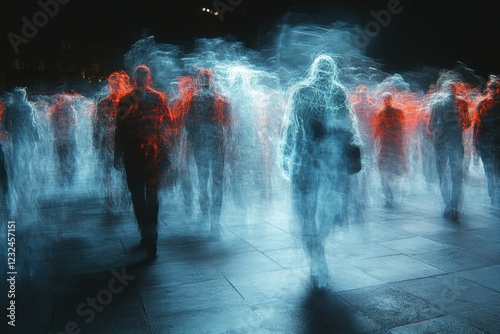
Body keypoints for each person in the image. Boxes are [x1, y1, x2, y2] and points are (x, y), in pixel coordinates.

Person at [282, 55, 361, 288]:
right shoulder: (305, 91)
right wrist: (286, 154)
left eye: (327, 70)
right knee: (310, 214)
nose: (324, 74)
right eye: (322, 69)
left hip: (321, 163)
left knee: (322, 214)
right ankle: (318, 260)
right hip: (310, 162)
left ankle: (317, 255)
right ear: (316, 70)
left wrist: (285, 154)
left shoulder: (336, 92)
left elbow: (348, 125)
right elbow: (292, 125)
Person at [115, 64, 171, 258]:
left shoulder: (126, 99)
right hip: (152, 153)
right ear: (148, 77)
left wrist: (117, 155)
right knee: (150, 196)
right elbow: (168, 125)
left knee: (139, 197)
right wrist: (166, 151)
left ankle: (147, 233)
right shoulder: (157, 98)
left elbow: (120, 130)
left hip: (134, 155)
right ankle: (151, 235)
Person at [183, 68, 232, 236]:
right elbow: (228, 124)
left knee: (204, 181)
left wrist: (195, 136)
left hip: (202, 145)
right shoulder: (221, 99)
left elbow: (187, 123)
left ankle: (207, 214)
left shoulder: (193, 99)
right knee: (216, 182)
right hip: (216, 144)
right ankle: (214, 220)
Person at [428, 80, 471, 219]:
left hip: (442, 143)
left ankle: (449, 204)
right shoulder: (462, 104)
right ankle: (453, 205)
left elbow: (430, 126)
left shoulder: (437, 104)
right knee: (455, 175)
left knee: (444, 175)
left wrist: (440, 130)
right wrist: (455, 127)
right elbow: (467, 123)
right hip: (454, 143)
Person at [94, 71, 132, 210]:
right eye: (113, 84)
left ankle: (123, 196)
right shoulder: (104, 103)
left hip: (121, 144)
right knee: (108, 171)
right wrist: (97, 142)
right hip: (109, 143)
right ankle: (110, 197)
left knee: (123, 172)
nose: (115, 86)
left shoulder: (127, 102)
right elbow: (97, 125)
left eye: (117, 84)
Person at [373, 92, 406, 207]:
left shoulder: (398, 113)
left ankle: (390, 194)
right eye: (385, 99)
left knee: (393, 171)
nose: (386, 101)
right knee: (384, 170)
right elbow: (377, 131)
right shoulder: (380, 113)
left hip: (394, 145)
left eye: (388, 99)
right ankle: (389, 195)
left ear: (391, 100)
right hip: (386, 145)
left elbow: (402, 129)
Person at [474, 77, 500, 208]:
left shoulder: (483, 104)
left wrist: (476, 141)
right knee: (490, 170)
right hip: (487, 141)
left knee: (492, 170)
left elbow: (477, 125)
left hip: (490, 142)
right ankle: (494, 196)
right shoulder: (483, 104)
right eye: (493, 88)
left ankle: (495, 196)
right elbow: (477, 124)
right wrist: (475, 141)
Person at [51, 93, 77, 186]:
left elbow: (52, 124)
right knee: (68, 159)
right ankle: (68, 179)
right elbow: (74, 125)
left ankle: (63, 179)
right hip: (67, 139)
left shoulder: (56, 110)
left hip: (60, 139)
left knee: (62, 159)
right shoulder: (70, 110)